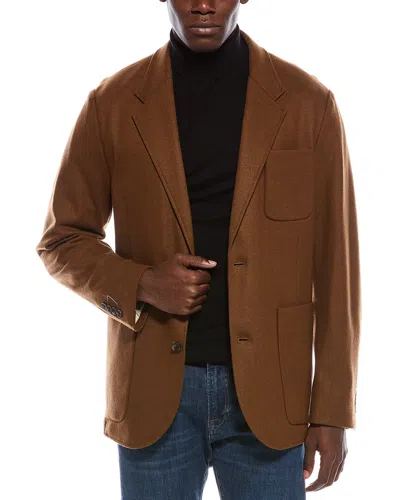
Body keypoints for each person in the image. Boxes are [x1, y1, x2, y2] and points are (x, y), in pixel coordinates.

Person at [36, 1, 361, 498]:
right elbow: (62, 239)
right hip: (154, 395)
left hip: (274, 397)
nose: (203, 4)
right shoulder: (112, 104)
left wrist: (333, 410)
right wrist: (142, 284)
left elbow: (338, 268)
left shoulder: (309, 104)